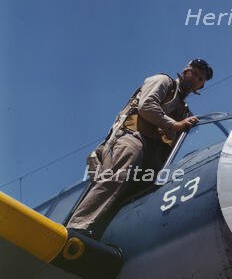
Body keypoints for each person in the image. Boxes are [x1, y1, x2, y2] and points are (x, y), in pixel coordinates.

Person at [67, 59, 213, 236]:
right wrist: (175, 125)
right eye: (194, 73)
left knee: (156, 186)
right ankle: (77, 227)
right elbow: (146, 106)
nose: (196, 78)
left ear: (201, 86)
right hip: (131, 137)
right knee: (122, 170)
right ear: (185, 71)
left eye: (200, 78)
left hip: (153, 153)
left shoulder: (185, 110)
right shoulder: (163, 81)